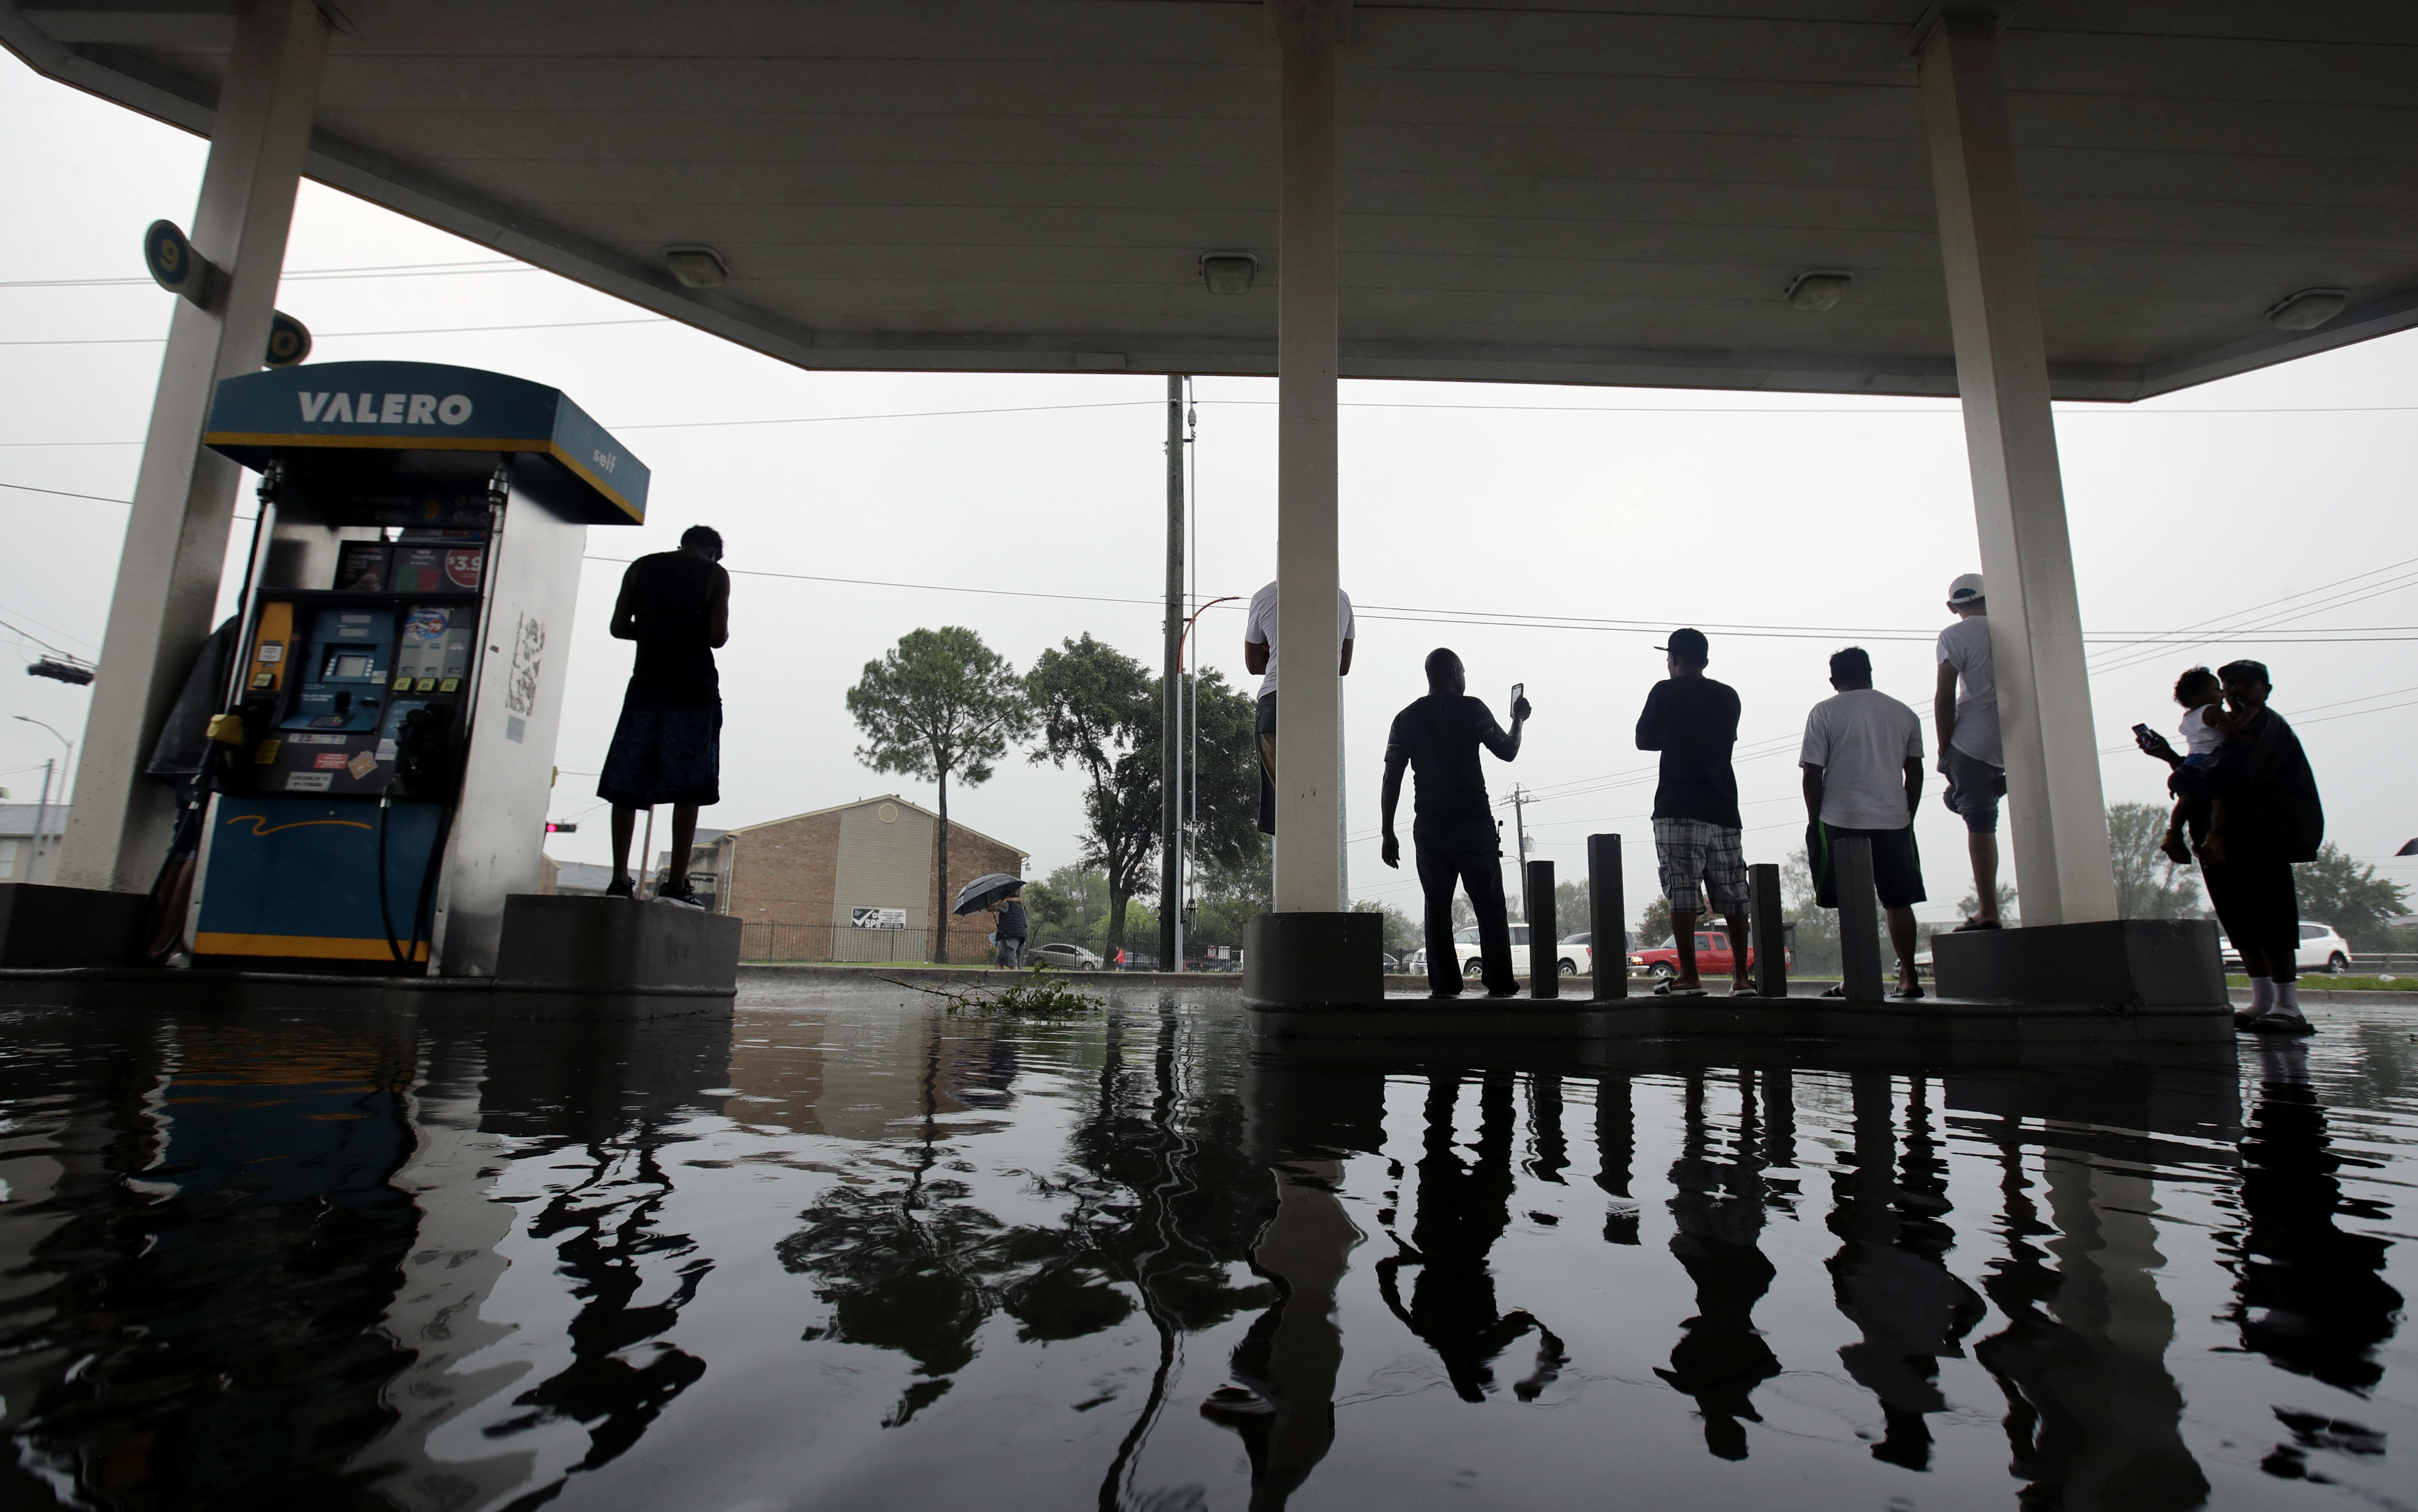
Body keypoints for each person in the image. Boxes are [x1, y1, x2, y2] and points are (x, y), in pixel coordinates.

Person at [2170, 660, 2323, 1035]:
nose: (2234, 691)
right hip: (2217, 840)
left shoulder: (2265, 726)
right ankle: (2263, 1000)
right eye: (2229, 684)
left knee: (2271, 917)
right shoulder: (2224, 730)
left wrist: (2175, 767)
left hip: (2259, 838)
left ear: (2265, 691)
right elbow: (2205, 771)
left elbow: (2232, 772)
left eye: (2245, 684)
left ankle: (2289, 1005)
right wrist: (2176, 764)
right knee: (2240, 918)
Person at [1380, 648, 1529, 998]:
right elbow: (1508, 750)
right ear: (1451, 672)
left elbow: (1391, 778)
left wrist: (1387, 832)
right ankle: (1501, 985)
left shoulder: (1405, 719)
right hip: (1473, 825)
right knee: (1490, 907)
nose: (1465, 679)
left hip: (1430, 829)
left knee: (1437, 908)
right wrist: (1518, 719)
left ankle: (1445, 986)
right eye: (1462, 672)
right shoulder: (1472, 709)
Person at [598, 525, 730, 904]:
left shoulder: (640, 568)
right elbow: (717, 636)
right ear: (712, 552)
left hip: (646, 687)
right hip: (693, 689)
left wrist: (656, 629)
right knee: (689, 786)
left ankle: (620, 881)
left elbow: (619, 627)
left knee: (627, 781)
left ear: (683, 544)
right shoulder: (715, 575)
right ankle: (675, 883)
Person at [1800, 647, 1927, 999]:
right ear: (1870, 673)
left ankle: (1857, 979)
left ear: (1833, 680)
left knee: (1852, 903)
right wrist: (1907, 815)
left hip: (1840, 820)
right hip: (1894, 820)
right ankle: (1910, 979)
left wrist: (1816, 823)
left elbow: (1812, 773)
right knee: (1899, 901)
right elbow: (1914, 771)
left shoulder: (1825, 712)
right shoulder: (1903, 713)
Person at [1635, 627, 1753, 996]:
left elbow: (1642, 739)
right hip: (1723, 807)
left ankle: (1689, 976)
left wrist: (1671, 737)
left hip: (1677, 805)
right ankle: (1742, 978)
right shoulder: (1728, 697)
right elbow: (1722, 739)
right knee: (1734, 892)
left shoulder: (1664, 691)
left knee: (1682, 890)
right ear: (1704, 660)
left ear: (1674, 659)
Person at [1244, 579, 1355, 834]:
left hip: (1275, 701)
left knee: (1284, 807)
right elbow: (1342, 666)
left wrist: (1271, 649)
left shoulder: (1264, 596)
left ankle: (1292, 870)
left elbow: (1254, 665)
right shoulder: (1340, 598)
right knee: (1314, 802)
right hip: (1319, 706)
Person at [1933, 572, 2005, 930]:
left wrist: (1945, 750)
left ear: (1952, 607)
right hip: (2014, 739)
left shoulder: (1953, 636)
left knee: (1979, 822)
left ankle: (1988, 910)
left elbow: (1945, 697)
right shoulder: (2012, 628)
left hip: (1971, 742)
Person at [2132, 665, 2242, 864]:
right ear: (2200, 695)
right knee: (2220, 800)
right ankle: (2216, 839)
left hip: (2189, 766)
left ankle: (2173, 835)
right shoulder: (2213, 710)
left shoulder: (2188, 717)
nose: (2223, 693)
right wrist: (2247, 716)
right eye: (2217, 689)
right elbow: (2234, 733)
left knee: (2184, 803)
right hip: (2211, 764)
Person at [992, 889, 1028, 969]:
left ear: (1006, 896)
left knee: (1012, 964)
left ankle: (1017, 981)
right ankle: (1017, 979)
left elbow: (990, 908)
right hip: (1021, 938)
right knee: (1000, 961)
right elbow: (1026, 924)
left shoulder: (1005, 904)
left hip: (1009, 938)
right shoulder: (1021, 907)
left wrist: (987, 898)